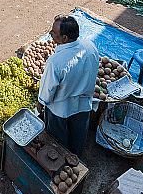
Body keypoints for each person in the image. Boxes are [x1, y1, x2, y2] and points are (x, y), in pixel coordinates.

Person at [37, 15, 99, 156]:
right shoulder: (90, 47)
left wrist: (41, 102)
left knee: (58, 138)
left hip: (61, 108)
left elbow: (48, 90)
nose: (50, 34)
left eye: (53, 31)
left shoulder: (55, 61)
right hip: (83, 105)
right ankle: (76, 157)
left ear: (64, 38)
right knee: (79, 134)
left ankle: (61, 159)